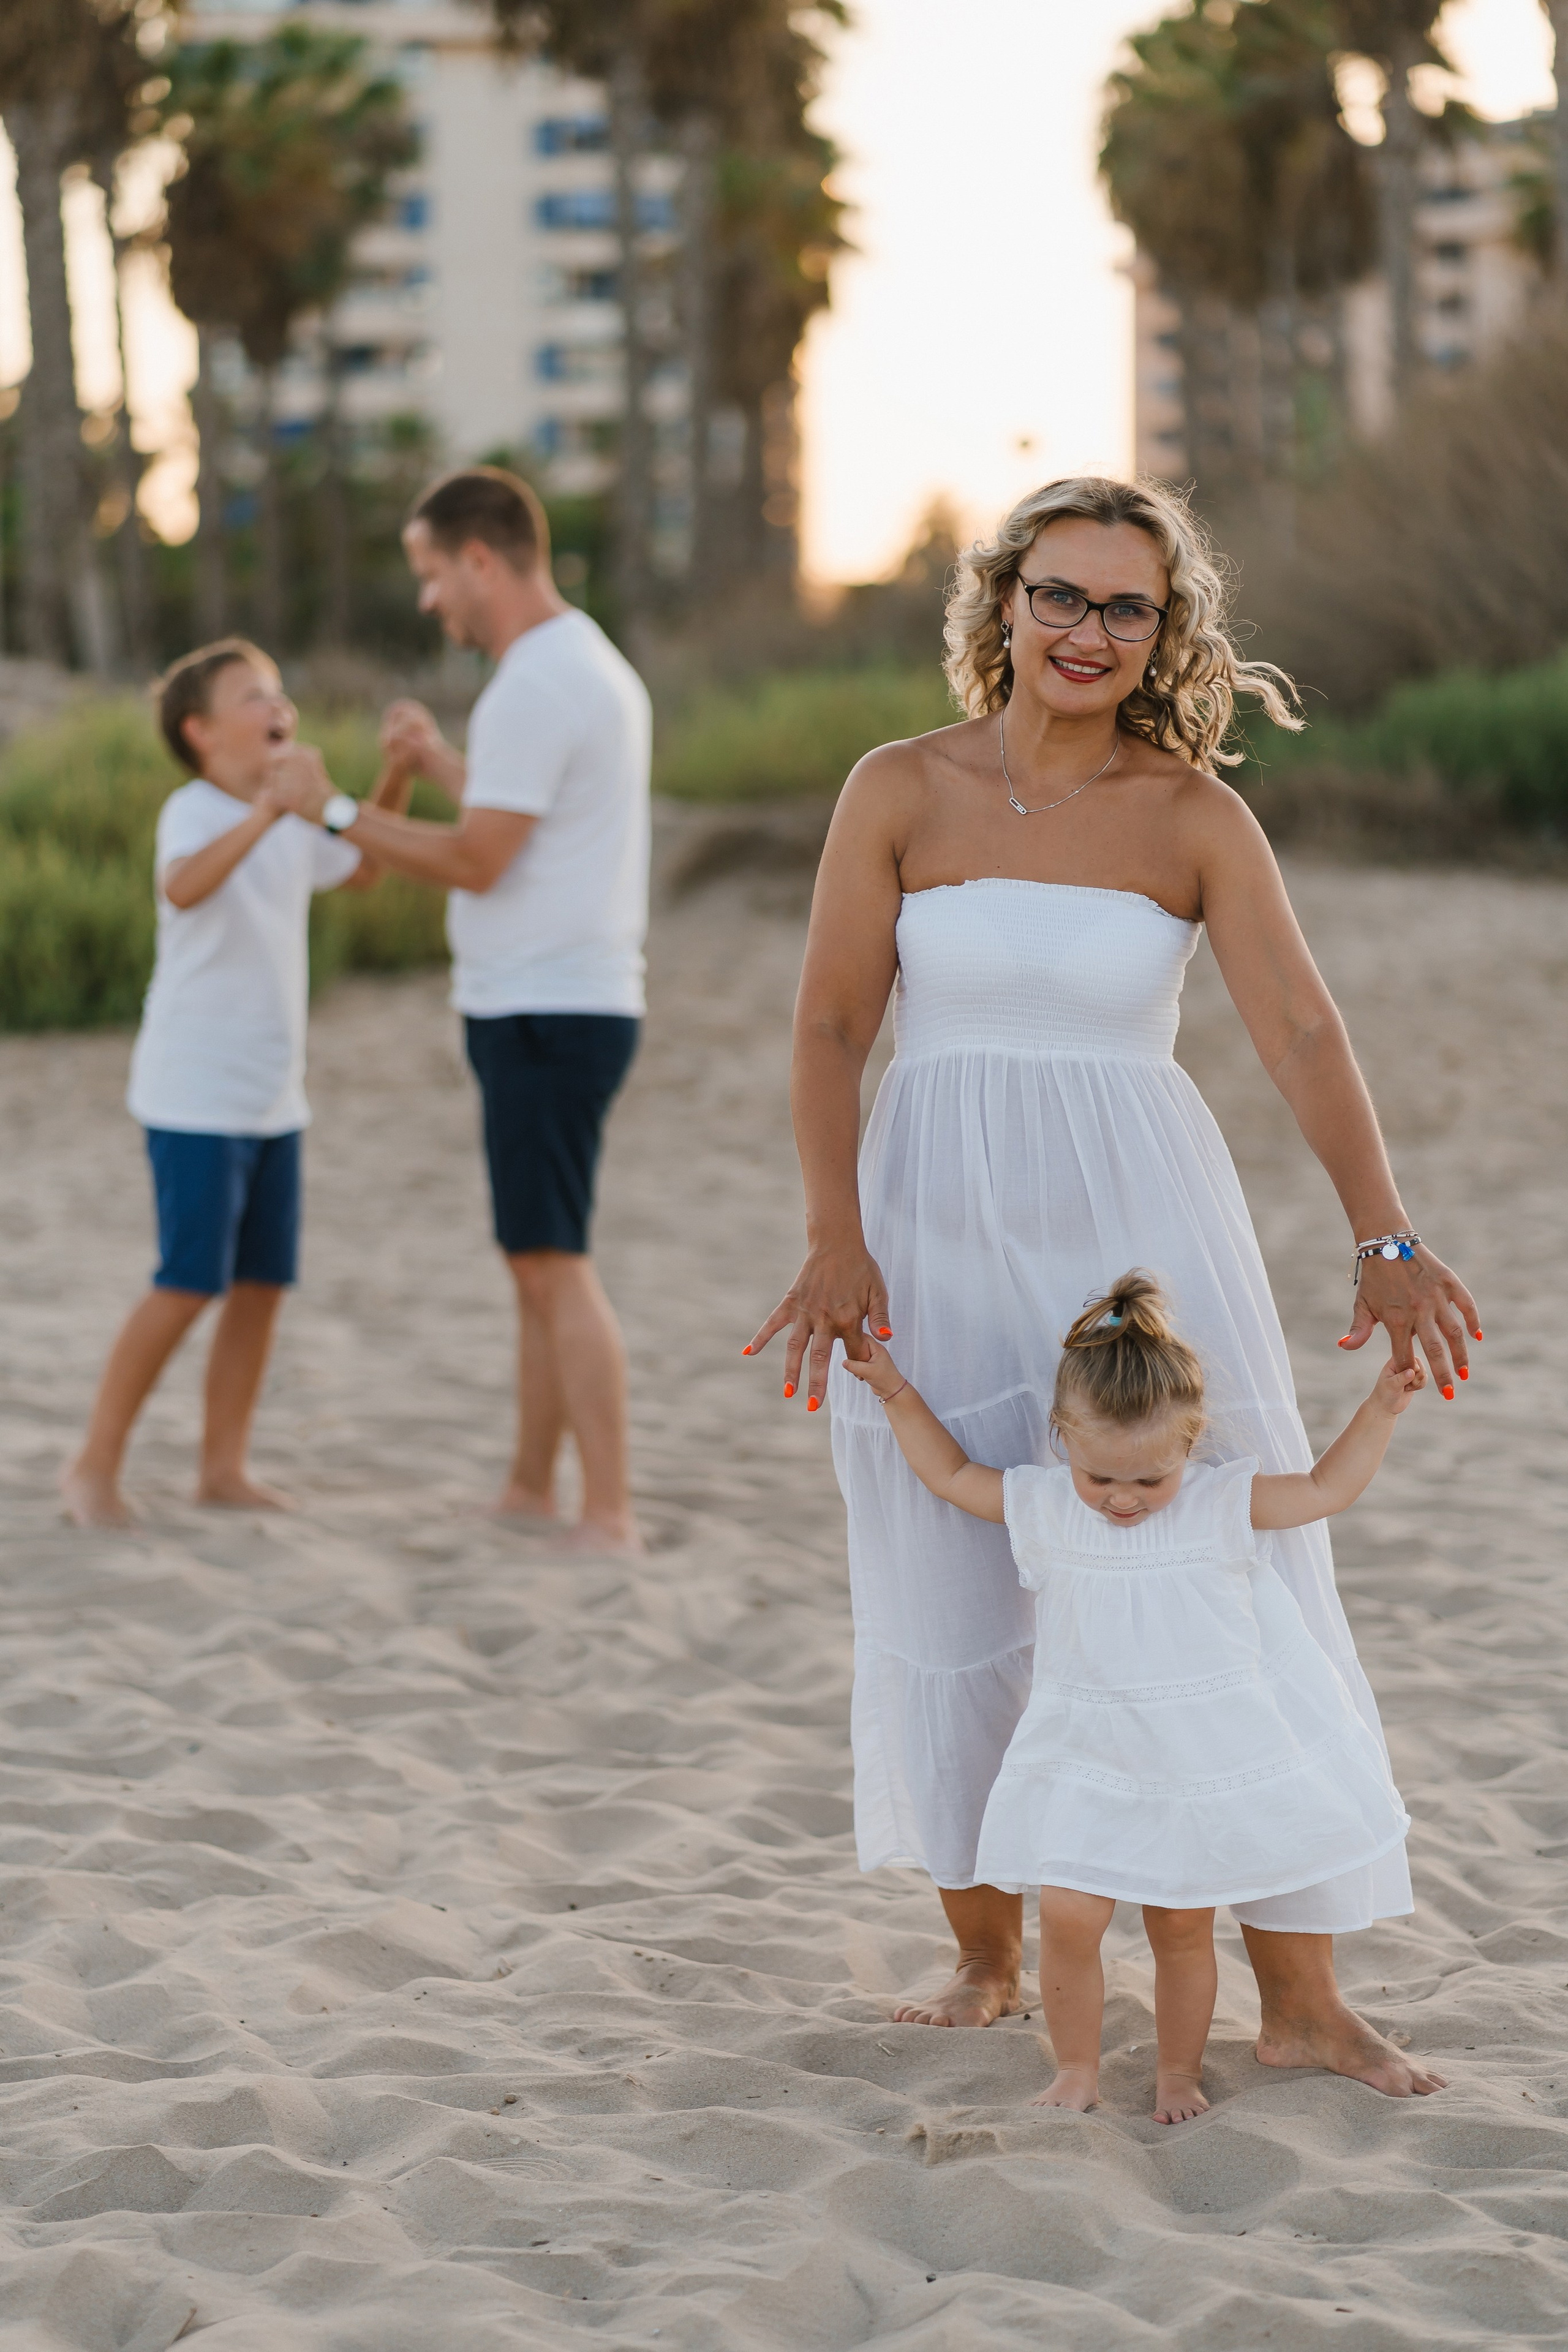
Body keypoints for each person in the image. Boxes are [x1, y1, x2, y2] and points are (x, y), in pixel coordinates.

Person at [746, 474, 1480, 2097]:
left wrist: (1386, 1234)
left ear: (1166, 632)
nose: (1086, 630)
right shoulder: (899, 790)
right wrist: (830, 1231)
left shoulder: (1194, 815)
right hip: (928, 1230)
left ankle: (1301, 1993)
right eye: (1059, 595)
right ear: (1001, 604)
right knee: (951, 1574)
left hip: (1143, 1229)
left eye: (1123, 606)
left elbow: (1301, 1030)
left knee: (1232, 1582)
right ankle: (990, 1955)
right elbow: (825, 1028)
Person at [844, 1271, 1425, 2124]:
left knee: (1182, 1930)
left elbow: (1324, 1492)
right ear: (1063, 1442)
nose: (1122, 1499)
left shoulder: (1219, 1507)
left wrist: (1378, 1410)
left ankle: (1177, 2075)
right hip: (1084, 1758)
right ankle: (1076, 2070)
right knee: (1072, 1922)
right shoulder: (1047, 1506)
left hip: (1187, 1765)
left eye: (1150, 1482)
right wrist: (894, 1389)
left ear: (1190, 1446)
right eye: (1099, 1477)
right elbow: (952, 1475)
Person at [269, 467, 650, 1555]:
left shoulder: (535, 679)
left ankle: (608, 1509)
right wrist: (438, 766)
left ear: (482, 559)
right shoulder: (585, 664)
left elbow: (482, 860)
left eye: (434, 575)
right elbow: (523, 814)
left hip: (546, 1008)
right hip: (562, 1002)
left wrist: (334, 806)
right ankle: (533, 1486)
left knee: (554, 1261)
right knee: (537, 1251)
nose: (431, 600)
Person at [61, 639, 396, 1528]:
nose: (275, 705)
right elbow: (183, 889)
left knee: (259, 1286)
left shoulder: (291, 819)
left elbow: (362, 867)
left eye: (278, 692)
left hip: (272, 1097)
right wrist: (272, 811)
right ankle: (92, 1465)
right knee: (188, 1281)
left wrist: (382, 782)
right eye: (253, 696)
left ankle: (223, 1467)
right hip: (194, 1094)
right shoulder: (196, 809)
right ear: (201, 731)